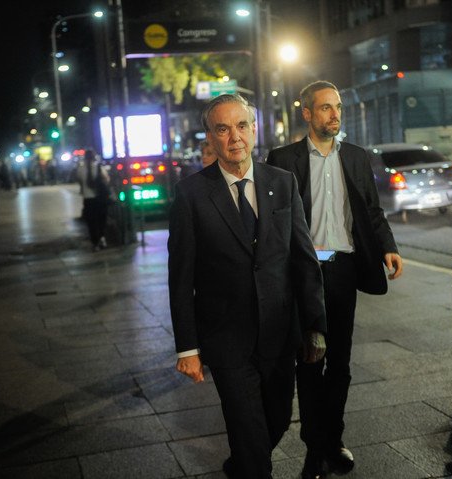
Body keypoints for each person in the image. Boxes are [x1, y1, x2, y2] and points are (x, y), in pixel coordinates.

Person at [168, 93, 327, 479]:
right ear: (210, 137)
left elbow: (303, 260)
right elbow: (181, 277)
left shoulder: (282, 183)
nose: (234, 137)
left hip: (279, 332)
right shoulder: (191, 194)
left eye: (241, 126)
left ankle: (242, 463)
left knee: (274, 422)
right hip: (226, 338)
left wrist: (315, 325)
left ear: (254, 130)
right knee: (247, 428)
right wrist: (188, 347)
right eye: (222, 129)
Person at [266, 80, 403, 479]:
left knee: (339, 362)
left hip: (343, 268)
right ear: (307, 113)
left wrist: (387, 247)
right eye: (325, 108)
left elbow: (372, 211)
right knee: (310, 358)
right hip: (304, 272)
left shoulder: (357, 157)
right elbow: (275, 222)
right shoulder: (283, 157)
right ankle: (313, 442)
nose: (334, 115)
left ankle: (333, 439)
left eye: (337, 107)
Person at [75, 150, 110, 251]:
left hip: (88, 199)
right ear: (94, 156)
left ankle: (95, 242)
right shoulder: (99, 167)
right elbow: (106, 179)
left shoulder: (80, 169)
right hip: (100, 198)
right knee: (101, 219)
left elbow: (80, 182)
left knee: (91, 222)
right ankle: (102, 237)